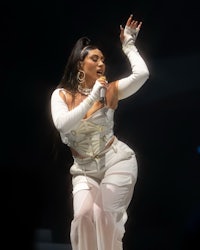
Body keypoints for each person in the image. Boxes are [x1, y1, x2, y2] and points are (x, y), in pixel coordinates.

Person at [50, 14, 149, 250]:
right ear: (79, 65)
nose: (101, 63)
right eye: (95, 58)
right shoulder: (61, 95)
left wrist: (129, 46)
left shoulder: (110, 90)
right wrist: (93, 95)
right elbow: (63, 124)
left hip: (116, 160)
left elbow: (142, 75)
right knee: (83, 218)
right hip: (84, 170)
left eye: (103, 59)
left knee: (105, 216)